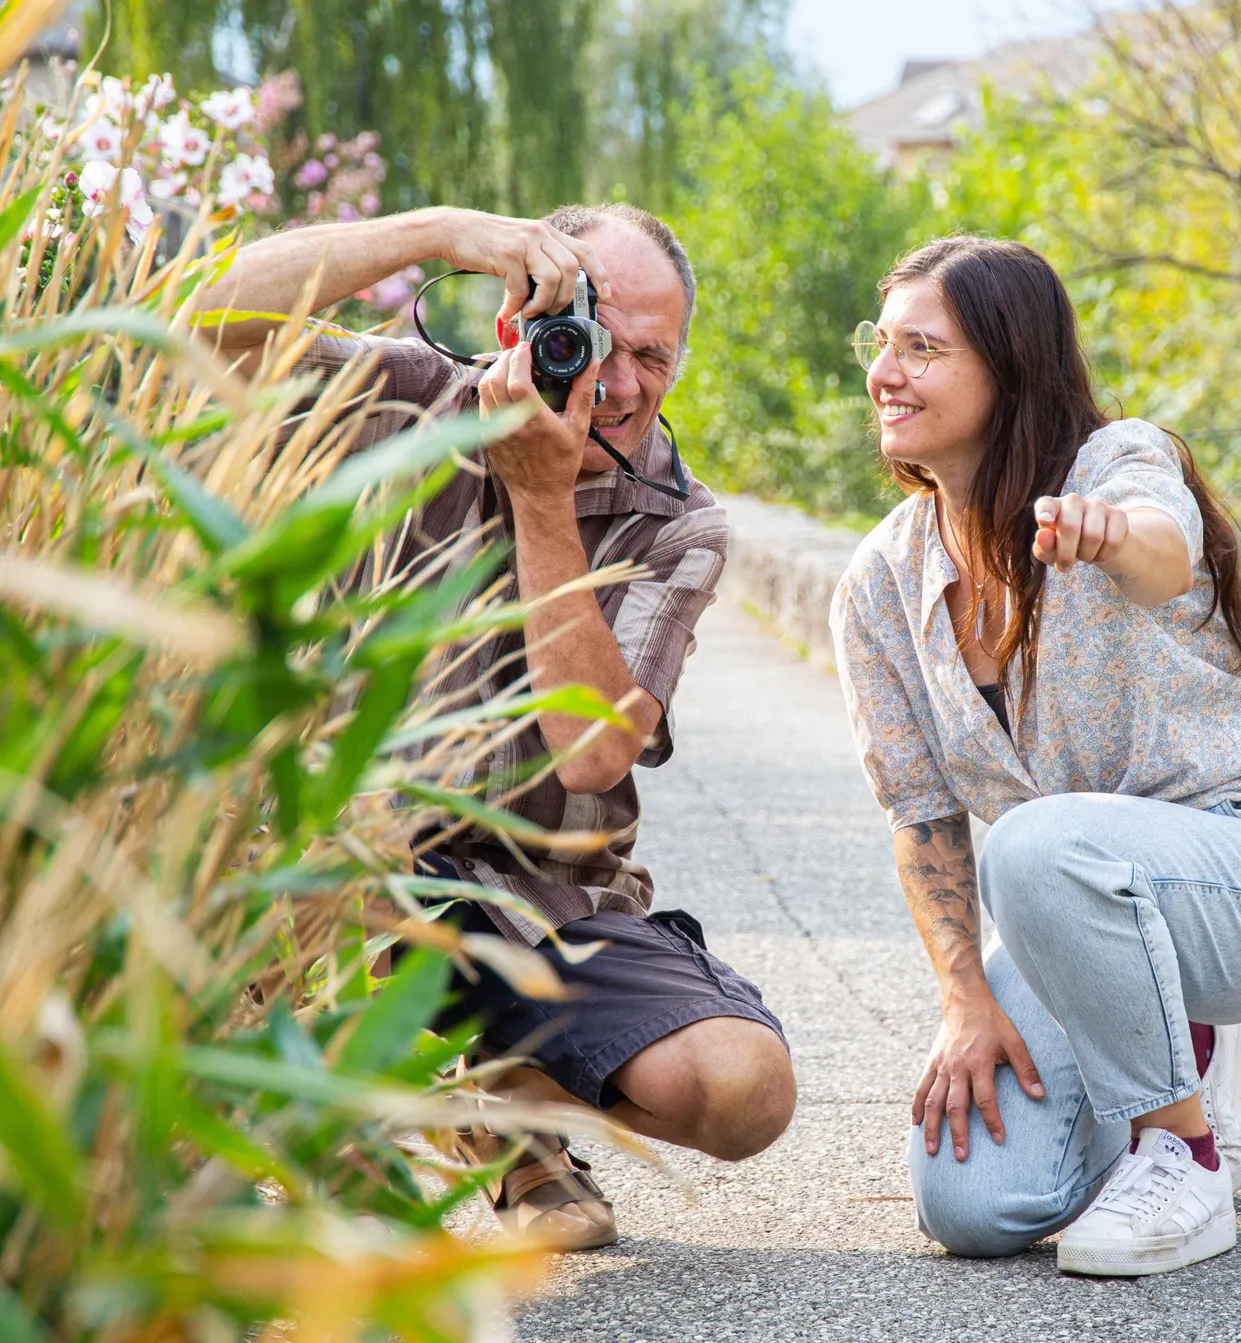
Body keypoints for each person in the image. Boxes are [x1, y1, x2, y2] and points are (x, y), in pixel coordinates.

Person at [197, 203, 795, 1251]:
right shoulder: (410, 398)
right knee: (328, 853)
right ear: (521, 320)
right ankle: (356, 1106)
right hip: (333, 865)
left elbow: (595, 751)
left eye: (654, 356)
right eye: (592, 342)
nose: (616, 385)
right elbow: (189, 322)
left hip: (539, 893)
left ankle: (500, 1099)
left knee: (744, 1091)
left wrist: (542, 497)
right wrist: (433, 233)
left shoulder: (678, 520)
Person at [829, 237, 1241, 1278]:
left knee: (1032, 845)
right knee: (973, 1205)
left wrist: (1108, 534)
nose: (885, 375)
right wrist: (966, 1005)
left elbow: (1164, 552)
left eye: (922, 348)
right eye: (879, 344)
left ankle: (1184, 1151)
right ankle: (1174, 1051)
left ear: (1010, 365)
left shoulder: (1115, 463)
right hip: (1074, 909)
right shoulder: (880, 580)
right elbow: (922, 817)